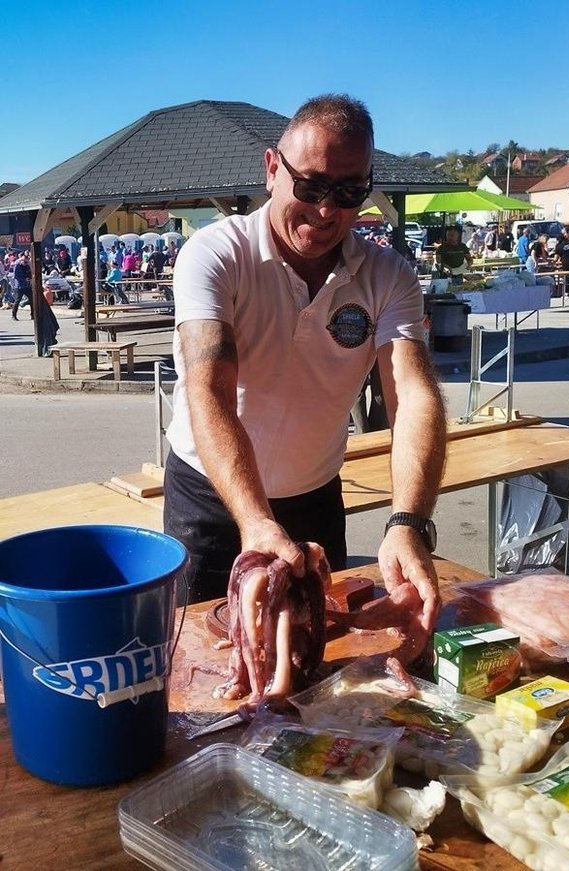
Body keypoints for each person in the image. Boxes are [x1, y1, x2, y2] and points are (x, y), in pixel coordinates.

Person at [164, 93, 447, 634]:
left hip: (314, 497)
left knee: (315, 664)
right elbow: (209, 390)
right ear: (273, 169)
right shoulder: (216, 253)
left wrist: (409, 521)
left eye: (347, 193)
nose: (325, 211)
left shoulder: (388, 275)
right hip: (212, 500)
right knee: (199, 660)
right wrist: (253, 520)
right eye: (312, 186)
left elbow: (412, 393)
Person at [11, 252, 33, 320]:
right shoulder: (17, 265)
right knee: (17, 300)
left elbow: (30, 273)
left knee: (32, 300)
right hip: (19, 286)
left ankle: (33, 315)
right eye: (24, 261)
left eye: (27, 261)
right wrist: (24, 279)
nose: (25, 263)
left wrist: (30, 278)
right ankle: (13, 315)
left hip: (27, 286)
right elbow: (16, 276)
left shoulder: (27, 265)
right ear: (21, 260)